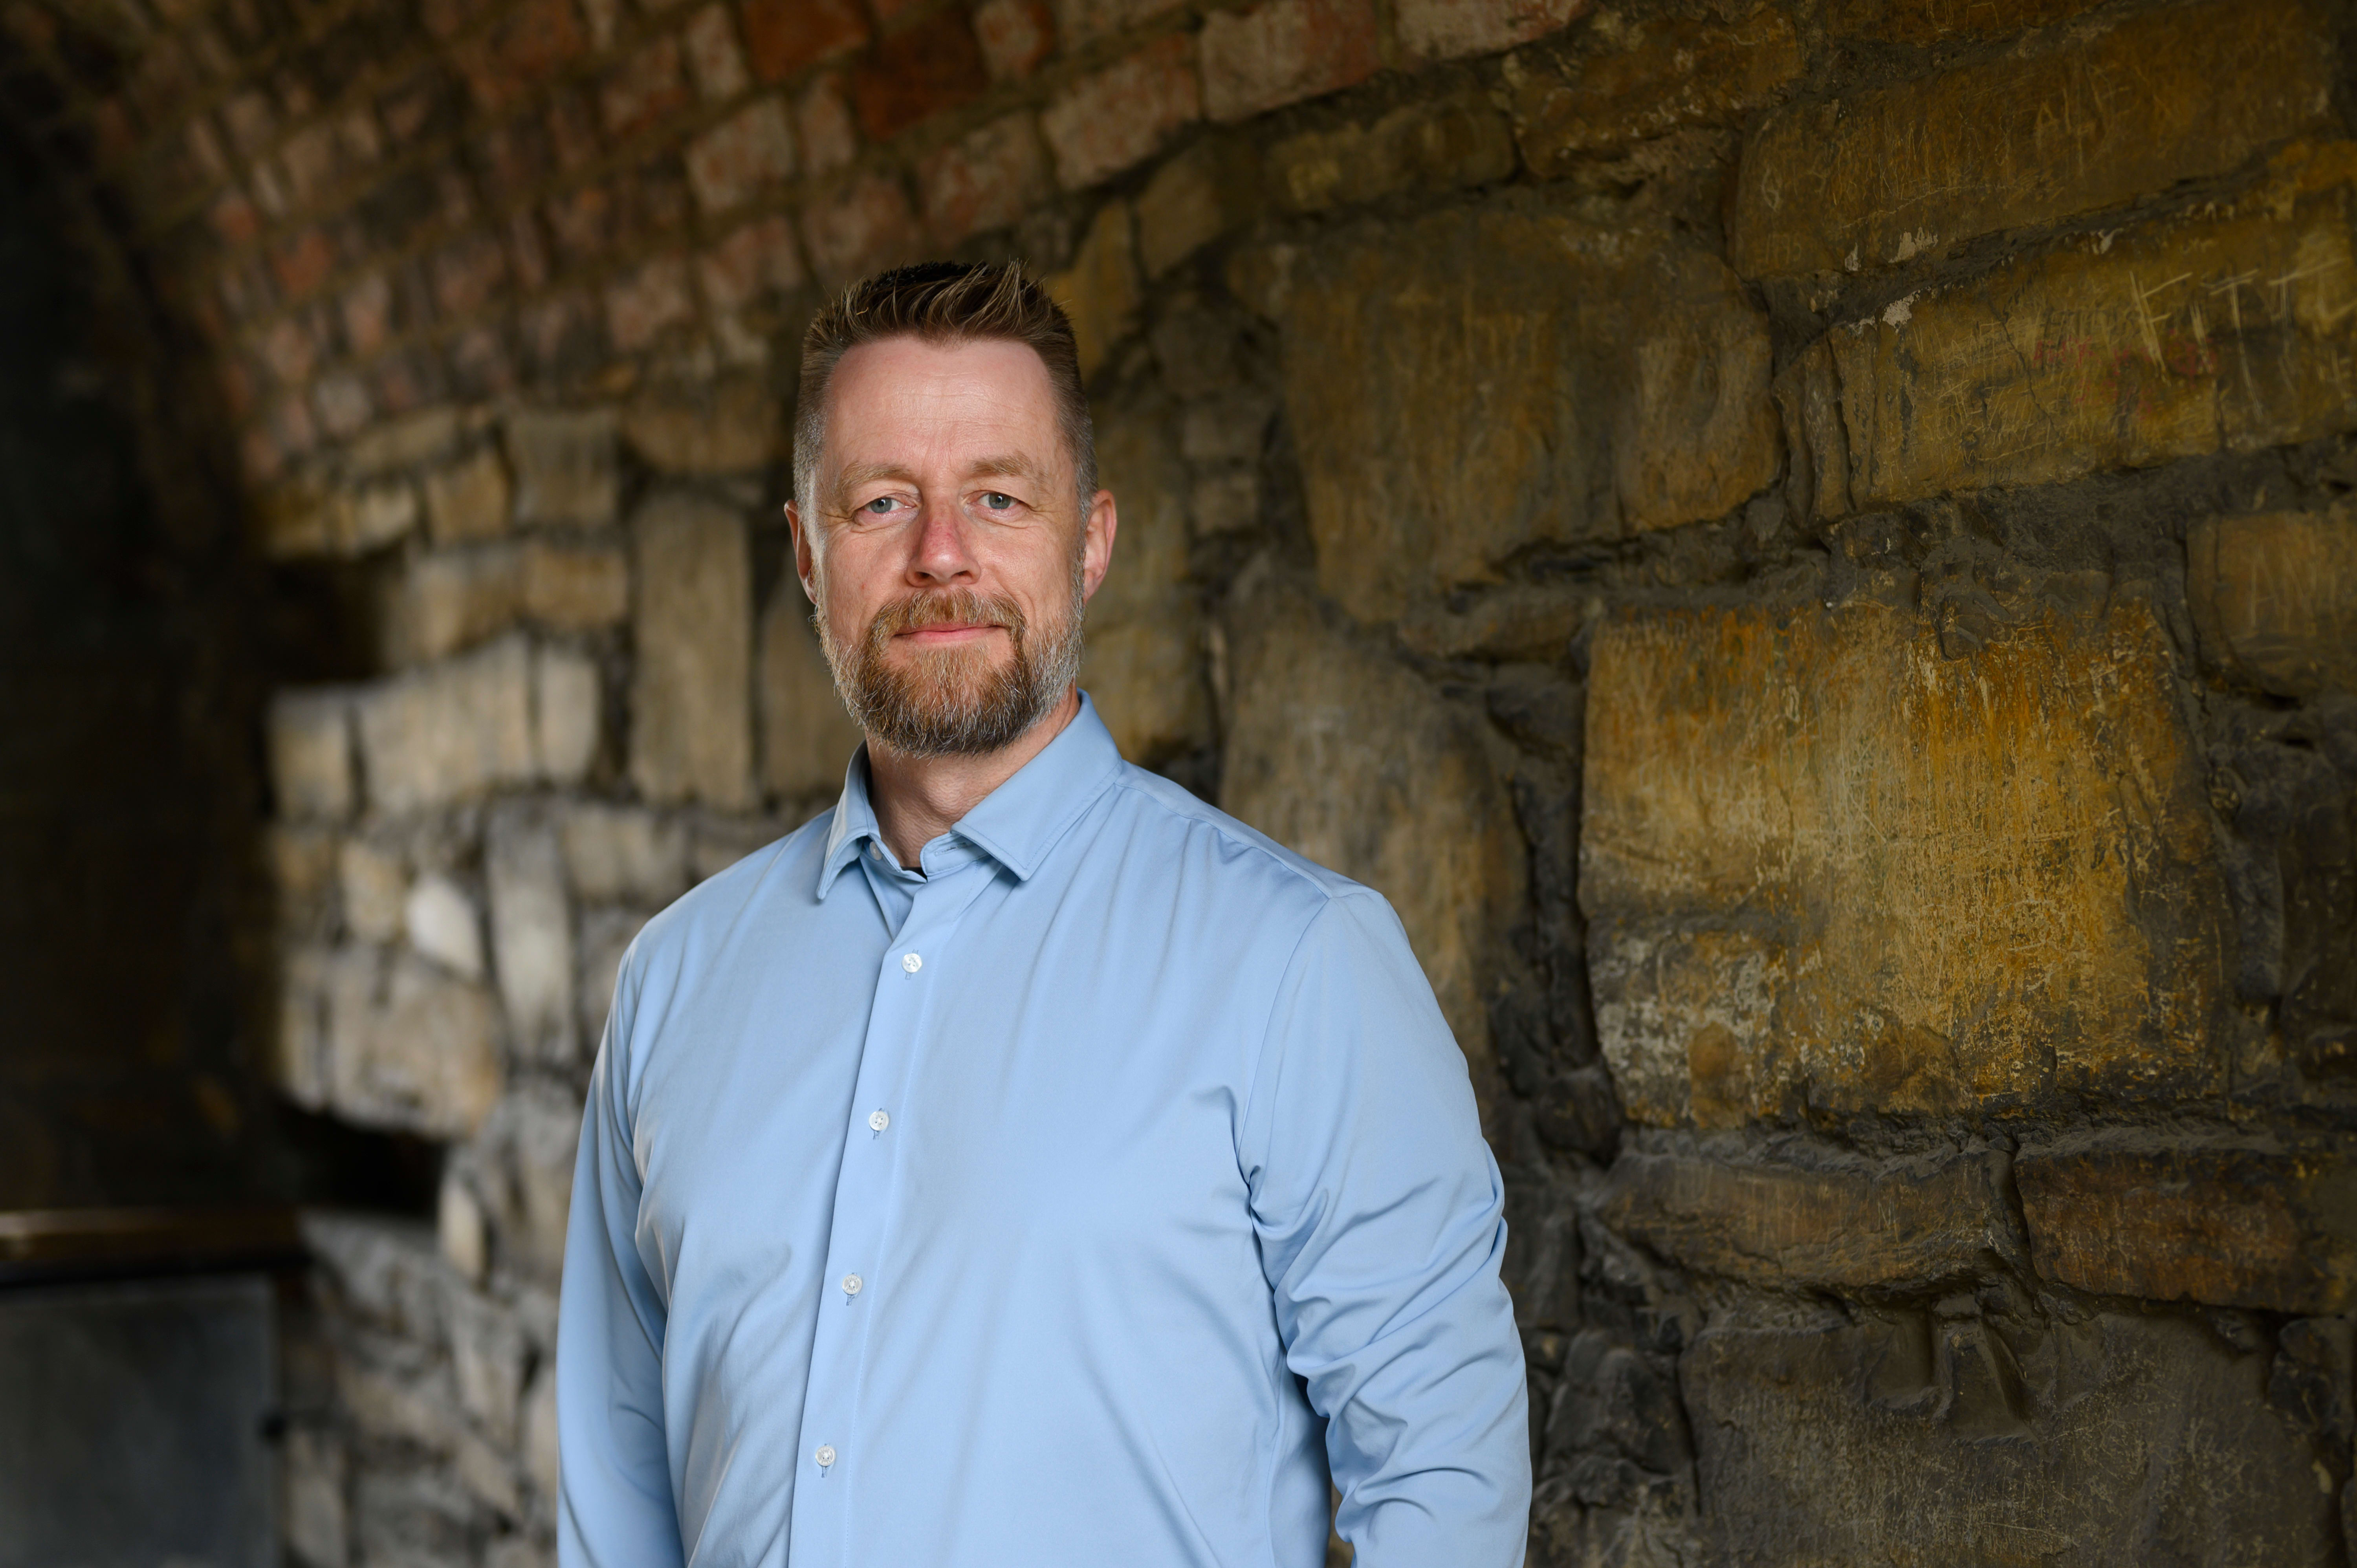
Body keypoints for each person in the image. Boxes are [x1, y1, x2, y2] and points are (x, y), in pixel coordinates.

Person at [555, 261, 1530, 1567]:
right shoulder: (675, 983)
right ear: (806, 554)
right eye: (881, 501)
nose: (939, 553)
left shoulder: (1300, 966)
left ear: (1093, 542)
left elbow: (1444, 1481)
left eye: (999, 498)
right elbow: (616, 1492)